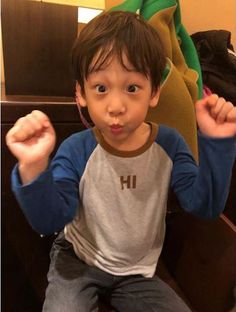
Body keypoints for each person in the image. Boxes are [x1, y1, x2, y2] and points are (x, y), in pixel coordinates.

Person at [6, 11, 236, 312]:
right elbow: (49, 220)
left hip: (137, 272)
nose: (116, 107)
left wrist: (218, 144)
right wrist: (34, 167)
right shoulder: (77, 149)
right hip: (78, 259)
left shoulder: (169, 143)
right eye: (101, 88)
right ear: (81, 93)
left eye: (132, 88)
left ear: (154, 92)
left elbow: (203, 205)